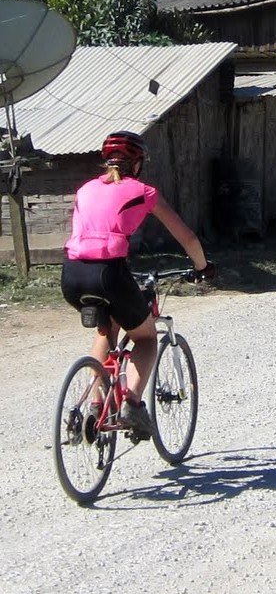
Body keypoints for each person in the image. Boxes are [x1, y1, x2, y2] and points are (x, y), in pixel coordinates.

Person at [59, 131, 212, 440]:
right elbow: (188, 238)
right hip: (109, 273)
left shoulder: (84, 189)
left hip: (72, 275)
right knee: (145, 337)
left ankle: (95, 403)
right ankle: (131, 403)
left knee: (108, 327)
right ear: (138, 163)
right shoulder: (143, 191)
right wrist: (203, 267)